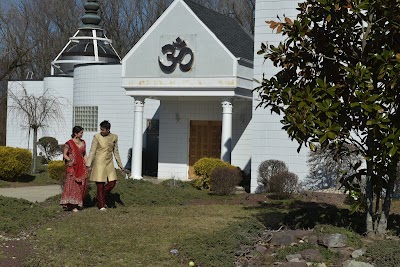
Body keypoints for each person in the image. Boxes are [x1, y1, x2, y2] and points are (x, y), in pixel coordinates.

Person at [86, 120, 124, 210]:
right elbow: (92, 151)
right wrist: (88, 164)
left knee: (112, 183)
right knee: (100, 185)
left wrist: (120, 165)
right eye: (100, 129)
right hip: (99, 163)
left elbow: (116, 152)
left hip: (109, 164)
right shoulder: (97, 137)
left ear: (108, 130)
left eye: (103, 129)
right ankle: (101, 205)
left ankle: (101, 196)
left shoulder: (114, 137)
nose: (101, 131)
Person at [60, 126, 89, 212]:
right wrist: (69, 160)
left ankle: (77, 203)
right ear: (75, 133)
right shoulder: (69, 143)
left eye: (82, 132)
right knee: (72, 185)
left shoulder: (83, 142)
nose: (82, 134)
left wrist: (87, 165)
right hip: (72, 166)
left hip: (81, 166)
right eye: (81, 133)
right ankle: (72, 205)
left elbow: (84, 154)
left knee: (80, 185)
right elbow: (64, 154)